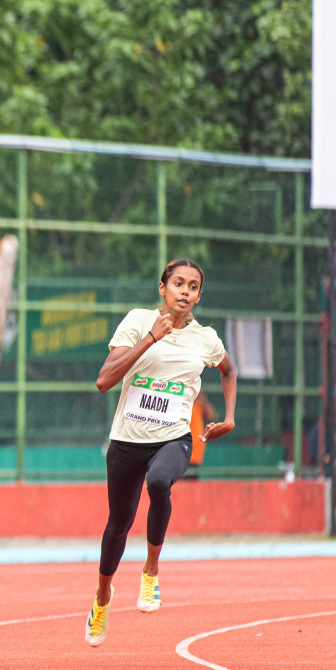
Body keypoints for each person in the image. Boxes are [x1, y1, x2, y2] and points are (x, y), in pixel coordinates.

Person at [85, 259, 235, 645]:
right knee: (118, 525)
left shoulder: (206, 339)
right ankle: (103, 597)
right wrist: (151, 338)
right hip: (126, 440)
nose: (185, 291)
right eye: (178, 284)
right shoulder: (137, 321)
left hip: (175, 437)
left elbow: (228, 371)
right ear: (162, 288)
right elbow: (104, 380)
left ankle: (151, 571)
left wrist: (230, 417)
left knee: (160, 481)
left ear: (200, 295)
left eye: (193, 286)